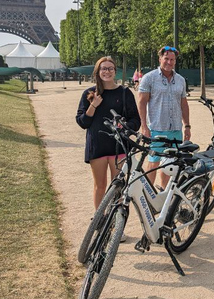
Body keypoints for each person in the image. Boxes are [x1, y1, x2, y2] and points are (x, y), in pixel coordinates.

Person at [76, 56, 140, 211]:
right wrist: (93, 106)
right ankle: (99, 222)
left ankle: (116, 225)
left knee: (118, 187)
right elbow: (82, 122)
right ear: (98, 72)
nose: (107, 71)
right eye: (103, 68)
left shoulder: (125, 93)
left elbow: (136, 121)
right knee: (100, 186)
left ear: (115, 71)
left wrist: (124, 126)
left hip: (118, 146)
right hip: (97, 145)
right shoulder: (89, 93)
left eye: (110, 68)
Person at [138, 46, 190, 188]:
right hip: (156, 128)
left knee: (170, 163)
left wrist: (187, 125)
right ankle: (148, 194)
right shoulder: (149, 78)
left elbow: (183, 104)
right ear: (160, 58)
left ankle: (163, 191)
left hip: (175, 129)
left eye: (172, 59)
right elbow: (142, 103)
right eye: (166, 58)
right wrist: (144, 126)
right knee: (153, 162)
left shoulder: (180, 80)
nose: (169, 62)